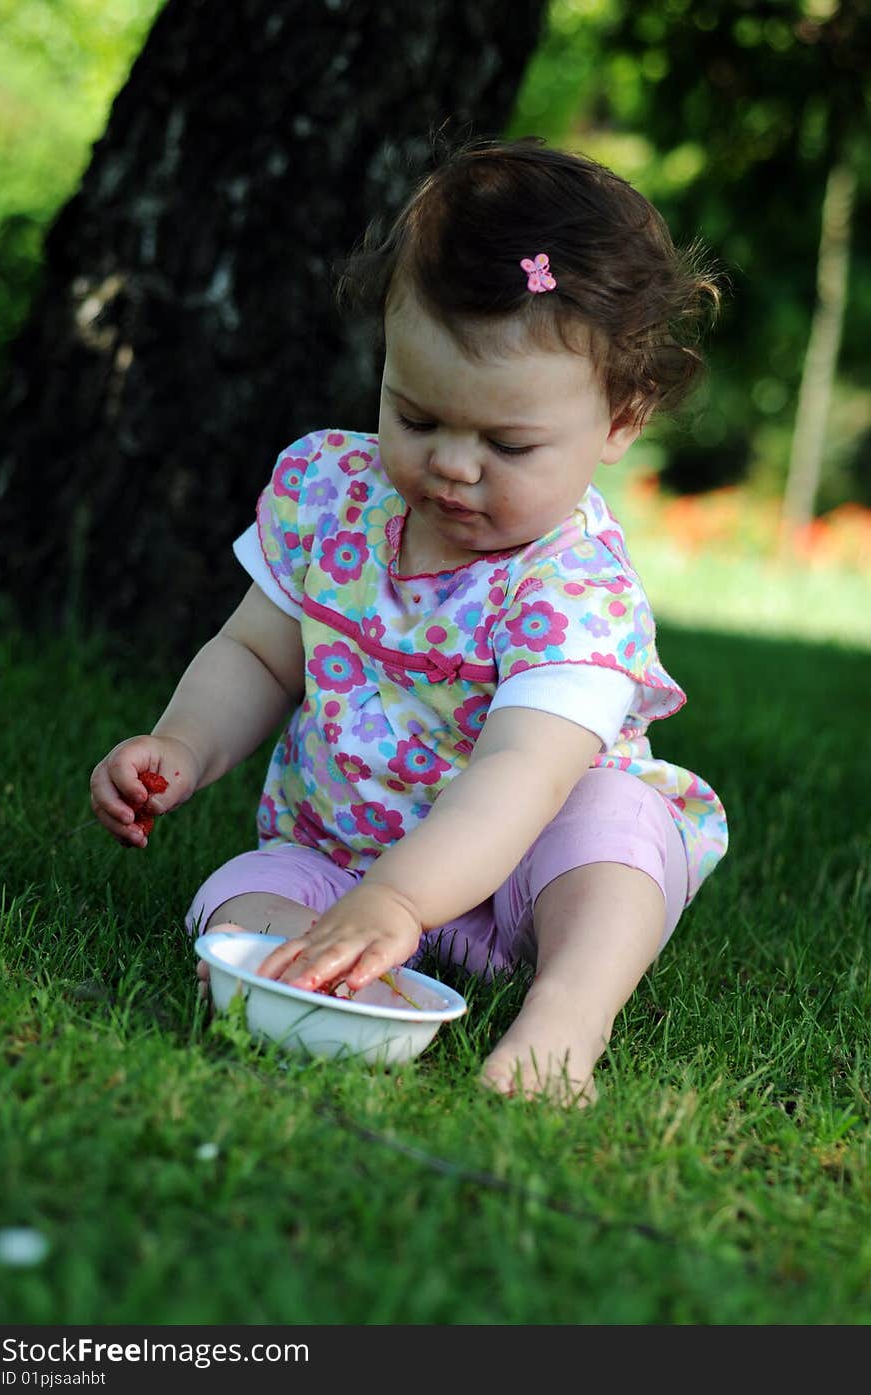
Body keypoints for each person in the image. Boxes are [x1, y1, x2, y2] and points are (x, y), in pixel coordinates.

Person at [90, 137, 728, 1105]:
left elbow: (520, 773)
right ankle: (315, 971)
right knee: (236, 888)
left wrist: (403, 896)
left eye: (508, 443)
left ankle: (564, 1015)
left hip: (524, 873)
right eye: (417, 417)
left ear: (620, 419)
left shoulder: (574, 589)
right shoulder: (328, 494)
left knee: (618, 833)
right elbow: (258, 655)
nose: (453, 466)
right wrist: (183, 743)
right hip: (340, 855)